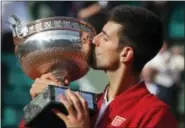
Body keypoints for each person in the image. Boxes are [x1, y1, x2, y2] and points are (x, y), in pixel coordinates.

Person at [19, 5, 177, 128]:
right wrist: (39, 105)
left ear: (126, 54)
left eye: (105, 37)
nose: (95, 40)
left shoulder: (154, 114)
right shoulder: (84, 105)